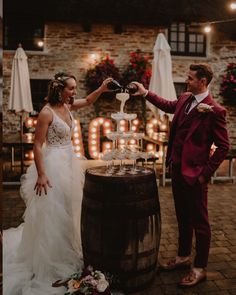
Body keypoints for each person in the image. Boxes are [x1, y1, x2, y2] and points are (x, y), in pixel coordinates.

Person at [3, 72, 113, 295]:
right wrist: (42, 174)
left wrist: (101, 89)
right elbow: (37, 145)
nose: (74, 92)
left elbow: (89, 101)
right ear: (59, 89)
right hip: (52, 165)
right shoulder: (46, 112)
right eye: (71, 88)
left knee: (70, 208)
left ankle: (69, 246)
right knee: (52, 212)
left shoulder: (68, 106)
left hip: (69, 162)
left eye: (74, 88)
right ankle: (51, 257)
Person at [132, 63, 230, 287]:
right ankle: (184, 257)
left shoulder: (215, 110)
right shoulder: (185, 98)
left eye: (191, 78)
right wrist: (146, 92)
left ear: (203, 81)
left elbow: (223, 147)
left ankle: (199, 267)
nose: (187, 81)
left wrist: (205, 174)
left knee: (200, 223)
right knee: (182, 218)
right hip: (176, 169)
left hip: (195, 175)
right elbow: (167, 105)